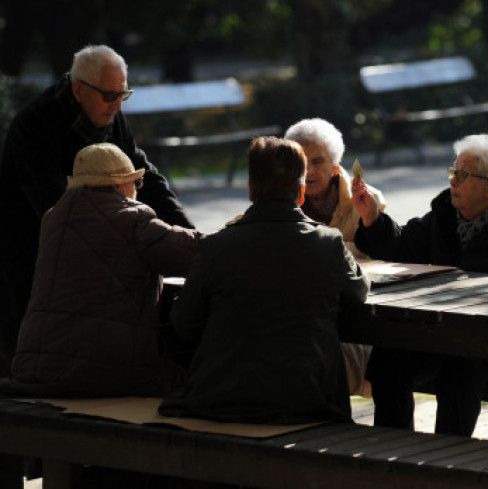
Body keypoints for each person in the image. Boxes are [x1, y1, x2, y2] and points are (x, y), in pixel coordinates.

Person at [0, 44, 193, 377]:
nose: (117, 106)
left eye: (123, 95)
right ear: (79, 90)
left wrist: (186, 231)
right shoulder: (36, 123)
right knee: (26, 344)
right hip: (27, 247)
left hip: (78, 239)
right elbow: (53, 210)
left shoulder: (112, 116)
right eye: (109, 96)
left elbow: (145, 177)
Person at [350, 133, 488, 436]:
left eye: (463, 175)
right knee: (388, 359)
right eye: (453, 172)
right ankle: (391, 452)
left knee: (460, 365)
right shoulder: (446, 216)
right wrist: (372, 218)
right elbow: (404, 245)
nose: (453, 181)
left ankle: (448, 460)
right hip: (448, 335)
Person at [159, 137, 369, 424]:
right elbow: (358, 294)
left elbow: (184, 322)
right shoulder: (328, 244)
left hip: (223, 401)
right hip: (308, 401)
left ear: (251, 189)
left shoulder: (217, 247)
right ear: (301, 192)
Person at [1, 143, 200, 397]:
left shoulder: (54, 219)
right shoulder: (130, 218)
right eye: (136, 183)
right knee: (195, 379)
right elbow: (194, 253)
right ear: (120, 185)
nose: (137, 191)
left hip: (36, 370)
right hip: (103, 372)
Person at [284, 118, 385, 398]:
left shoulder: (366, 200)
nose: (308, 172)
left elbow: (381, 256)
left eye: (318, 162)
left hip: (355, 315)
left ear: (336, 165)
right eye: (300, 162)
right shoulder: (279, 200)